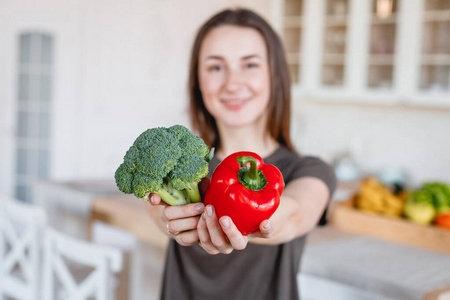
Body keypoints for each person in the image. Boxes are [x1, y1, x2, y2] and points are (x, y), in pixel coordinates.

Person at [146, 8, 336, 300]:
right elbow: (157, 209)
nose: (233, 83)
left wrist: (247, 224)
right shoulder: (183, 167)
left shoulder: (309, 170)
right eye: (215, 67)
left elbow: (294, 214)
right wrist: (171, 217)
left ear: (275, 76)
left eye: (250, 65)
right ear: (197, 81)